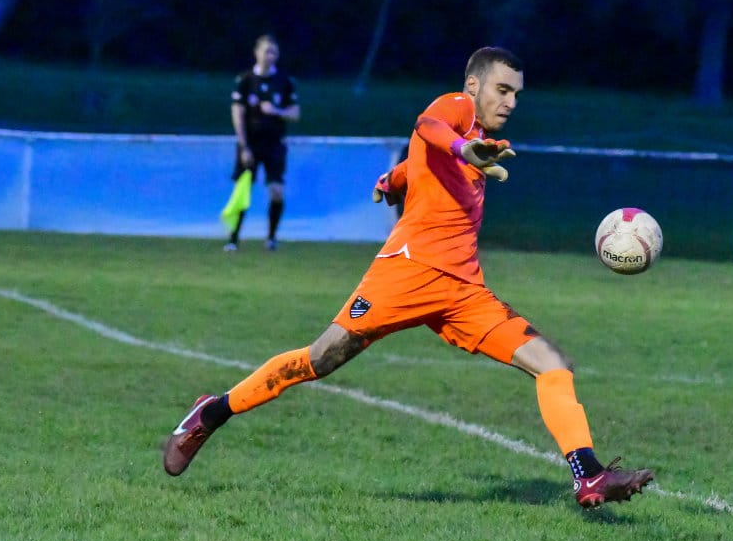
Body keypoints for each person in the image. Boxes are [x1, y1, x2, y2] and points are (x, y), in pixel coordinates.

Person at [164, 46, 653, 509]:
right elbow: (429, 126)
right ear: (474, 85)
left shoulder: (480, 141)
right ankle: (210, 413)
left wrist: (393, 179)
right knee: (320, 358)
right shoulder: (458, 108)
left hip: (463, 292)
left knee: (553, 365)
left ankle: (588, 475)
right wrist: (464, 148)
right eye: (502, 89)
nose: (510, 101)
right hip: (406, 274)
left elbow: (418, 162)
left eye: (516, 94)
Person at [224, 34, 301, 252]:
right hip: (251, 144)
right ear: (256, 52)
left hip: (274, 144)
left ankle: (271, 238)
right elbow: (237, 113)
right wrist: (244, 146)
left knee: (276, 190)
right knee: (243, 191)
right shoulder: (245, 80)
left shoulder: (284, 82)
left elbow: (295, 113)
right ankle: (233, 238)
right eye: (266, 51)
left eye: (274, 52)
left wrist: (276, 111)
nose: (270, 56)